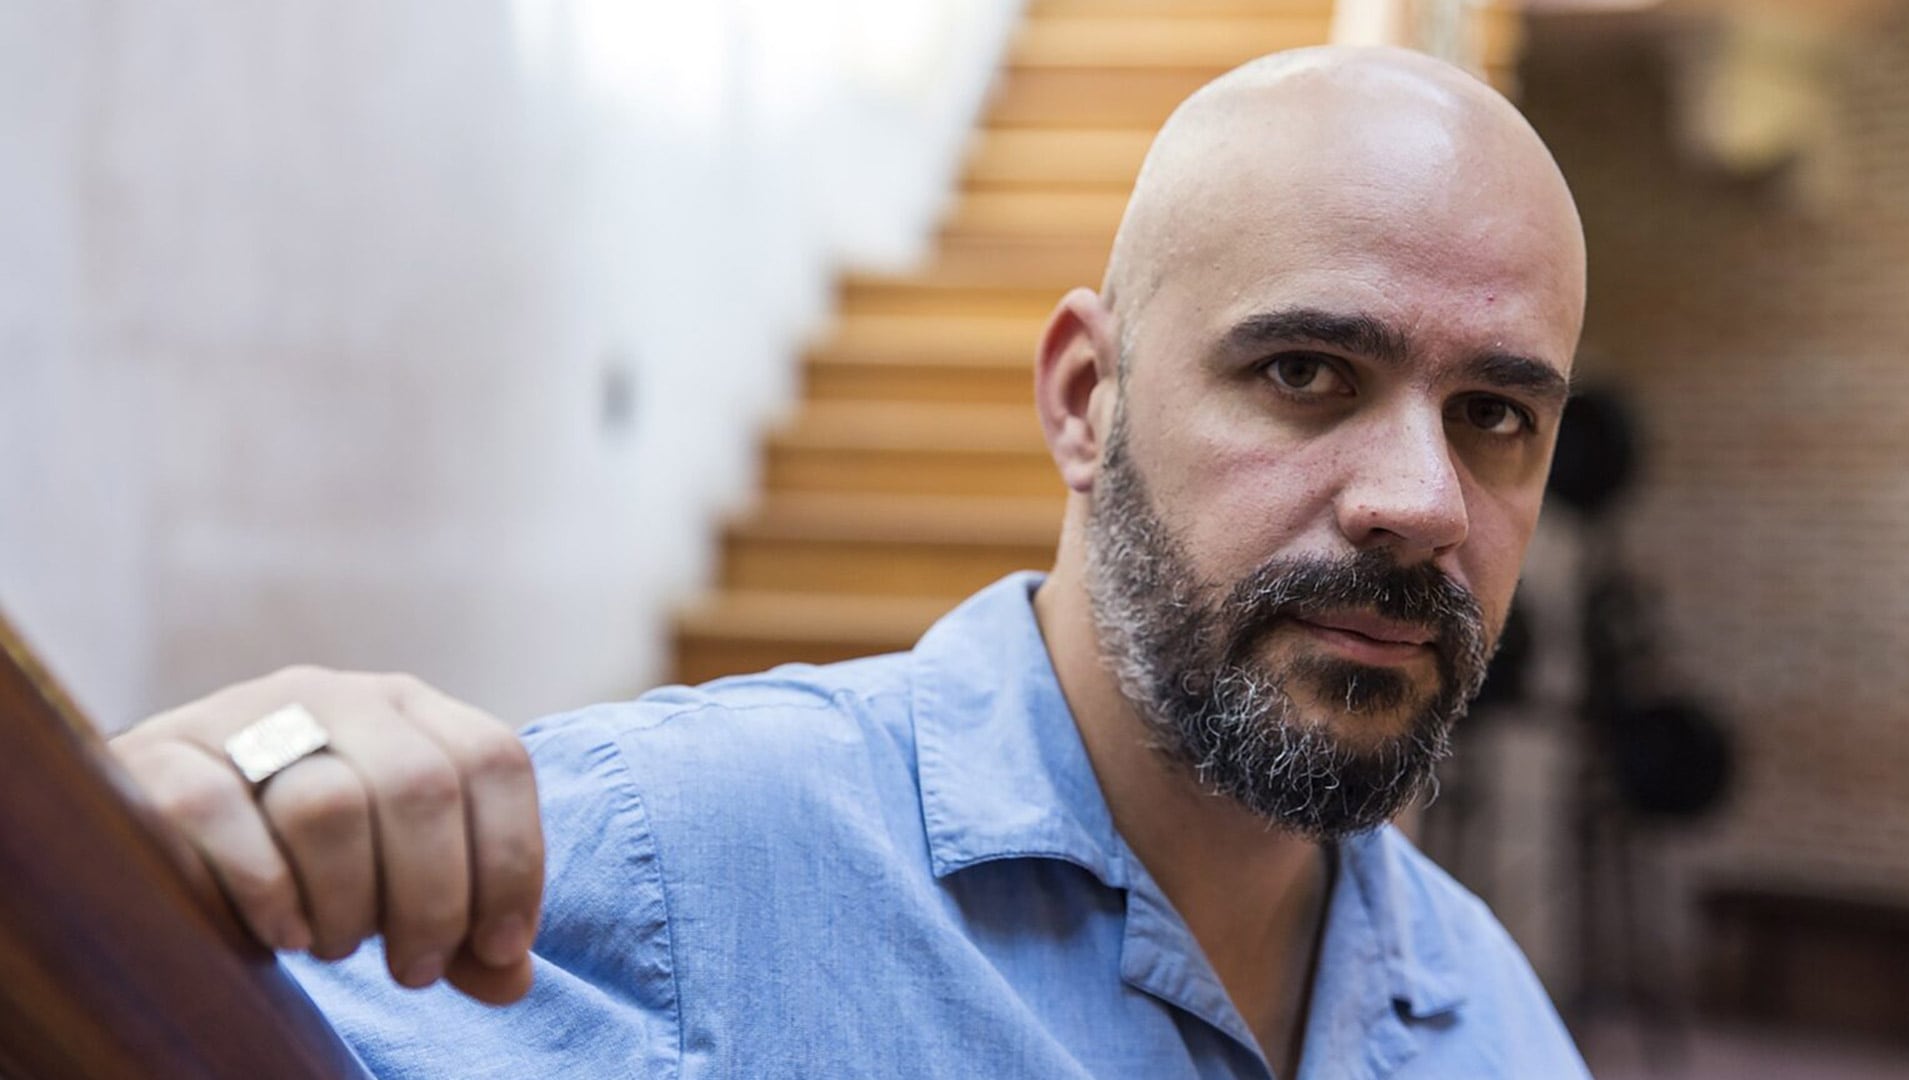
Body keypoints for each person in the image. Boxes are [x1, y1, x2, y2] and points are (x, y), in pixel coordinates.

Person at [111, 45, 1591, 1078]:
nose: (1423, 504)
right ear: (1087, 398)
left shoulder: (1490, 1020)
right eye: (1306, 373)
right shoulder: (670, 870)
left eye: (1494, 416)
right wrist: (105, 849)